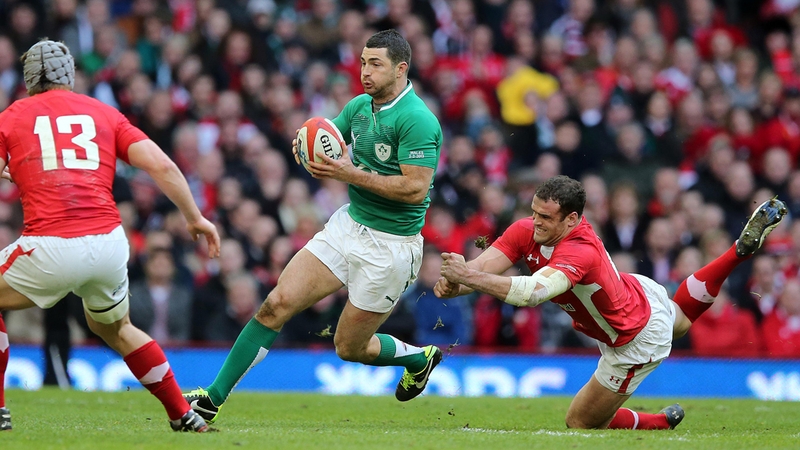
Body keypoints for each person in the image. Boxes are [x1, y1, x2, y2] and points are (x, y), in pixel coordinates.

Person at [184, 29, 444, 423]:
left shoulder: (418, 120)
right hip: (348, 226)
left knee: (349, 347)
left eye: (375, 64)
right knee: (275, 304)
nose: (365, 72)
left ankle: (418, 358)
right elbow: (328, 139)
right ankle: (212, 399)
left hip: (391, 247)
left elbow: (414, 189)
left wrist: (349, 173)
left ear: (400, 69)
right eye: (363, 62)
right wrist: (306, 146)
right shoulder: (359, 107)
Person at [435, 175, 788, 430]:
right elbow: (481, 269)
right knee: (680, 320)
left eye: (545, 217)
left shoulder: (579, 250)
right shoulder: (525, 229)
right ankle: (737, 253)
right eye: (534, 212)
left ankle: (658, 423)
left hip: (634, 338)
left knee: (580, 421)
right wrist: (457, 282)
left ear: (572, 219)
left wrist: (468, 277)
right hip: (637, 293)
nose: (536, 222)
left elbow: (532, 293)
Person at [0, 39, 220, 433]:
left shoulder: (13, 116)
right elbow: (163, 166)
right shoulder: (103, 113)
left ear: (28, 79)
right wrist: (195, 217)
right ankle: (181, 413)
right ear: (70, 75)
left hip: (51, 245)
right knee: (115, 328)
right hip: (109, 244)